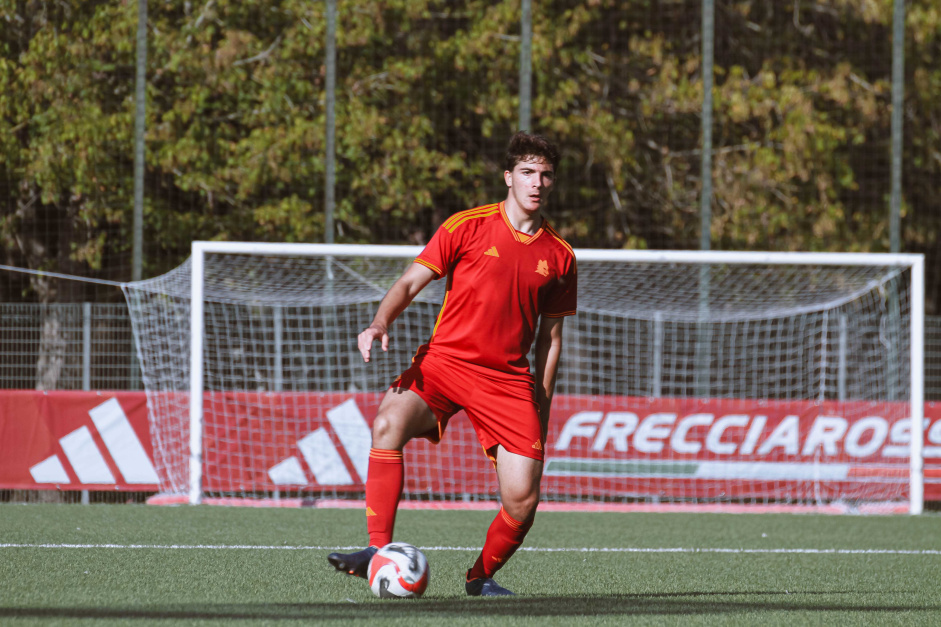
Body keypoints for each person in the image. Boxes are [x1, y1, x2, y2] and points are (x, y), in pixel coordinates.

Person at [327, 131, 577, 597]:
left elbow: (551, 342)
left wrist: (541, 407)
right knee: (387, 424)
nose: (536, 182)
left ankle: (479, 577)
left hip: (507, 381)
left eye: (545, 175)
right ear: (508, 177)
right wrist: (380, 322)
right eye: (527, 172)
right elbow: (407, 284)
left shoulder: (559, 256)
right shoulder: (467, 225)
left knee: (522, 500)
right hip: (444, 363)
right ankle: (376, 551)